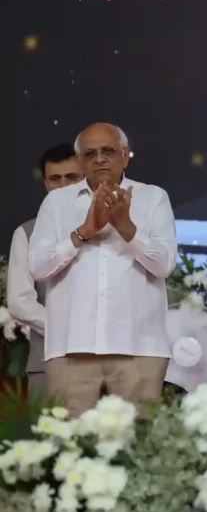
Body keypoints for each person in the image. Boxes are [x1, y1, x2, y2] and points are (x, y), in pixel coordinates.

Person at [28, 123, 177, 415]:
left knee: (139, 448)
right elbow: (37, 267)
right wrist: (84, 231)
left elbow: (164, 265)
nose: (99, 159)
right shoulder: (57, 203)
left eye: (108, 151)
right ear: (80, 161)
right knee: (72, 450)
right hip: (72, 348)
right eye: (90, 153)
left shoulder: (153, 198)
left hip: (140, 348)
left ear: (125, 155)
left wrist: (126, 228)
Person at [6, 144, 83, 393]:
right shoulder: (27, 233)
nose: (62, 186)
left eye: (71, 177)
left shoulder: (110, 229)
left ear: (85, 178)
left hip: (113, 365)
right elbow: (19, 302)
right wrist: (73, 331)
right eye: (55, 179)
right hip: (48, 363)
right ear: (46, 184)